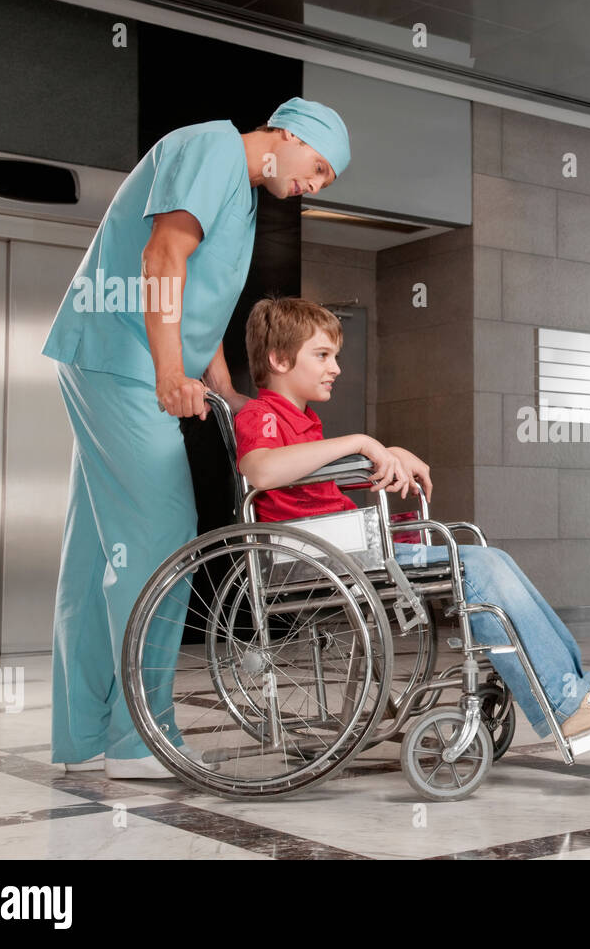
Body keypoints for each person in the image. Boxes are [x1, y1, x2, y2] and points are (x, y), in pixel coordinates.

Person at [42, 98, 355, 779]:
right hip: (124, 362)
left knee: (102, 546)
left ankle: (83, 736)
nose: (318, 184)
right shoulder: (213, 148)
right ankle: (137, 738)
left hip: (108, 358)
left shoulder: (238, 197)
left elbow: (201, 302)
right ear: (290, 134)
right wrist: (165, 373)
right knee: (160, 537)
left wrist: (220, 384)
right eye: (320, 167)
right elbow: (163, 256)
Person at [232, 297, 590, 746]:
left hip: (344, 547)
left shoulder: (304, 421)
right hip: (319, 554)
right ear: (279, 359)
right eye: (322, 356)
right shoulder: (259, 414)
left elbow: (312, 476)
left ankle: (578, 691)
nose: (335, 368)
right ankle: (566, 701)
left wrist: (387, 453)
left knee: (488, 558)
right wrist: (361, 442)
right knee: (477, 567)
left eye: (335, 356)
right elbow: (261, 469)